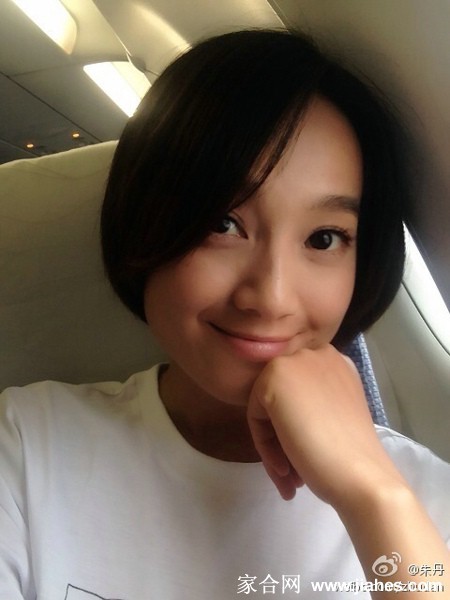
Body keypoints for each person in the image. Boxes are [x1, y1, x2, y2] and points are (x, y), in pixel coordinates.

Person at [1, 29, 449, 600]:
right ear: (144, 221)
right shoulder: (26, 445)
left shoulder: (424, 498)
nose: (272, 297)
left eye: (324, 238)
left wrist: (375, 497)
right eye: (224, 224)